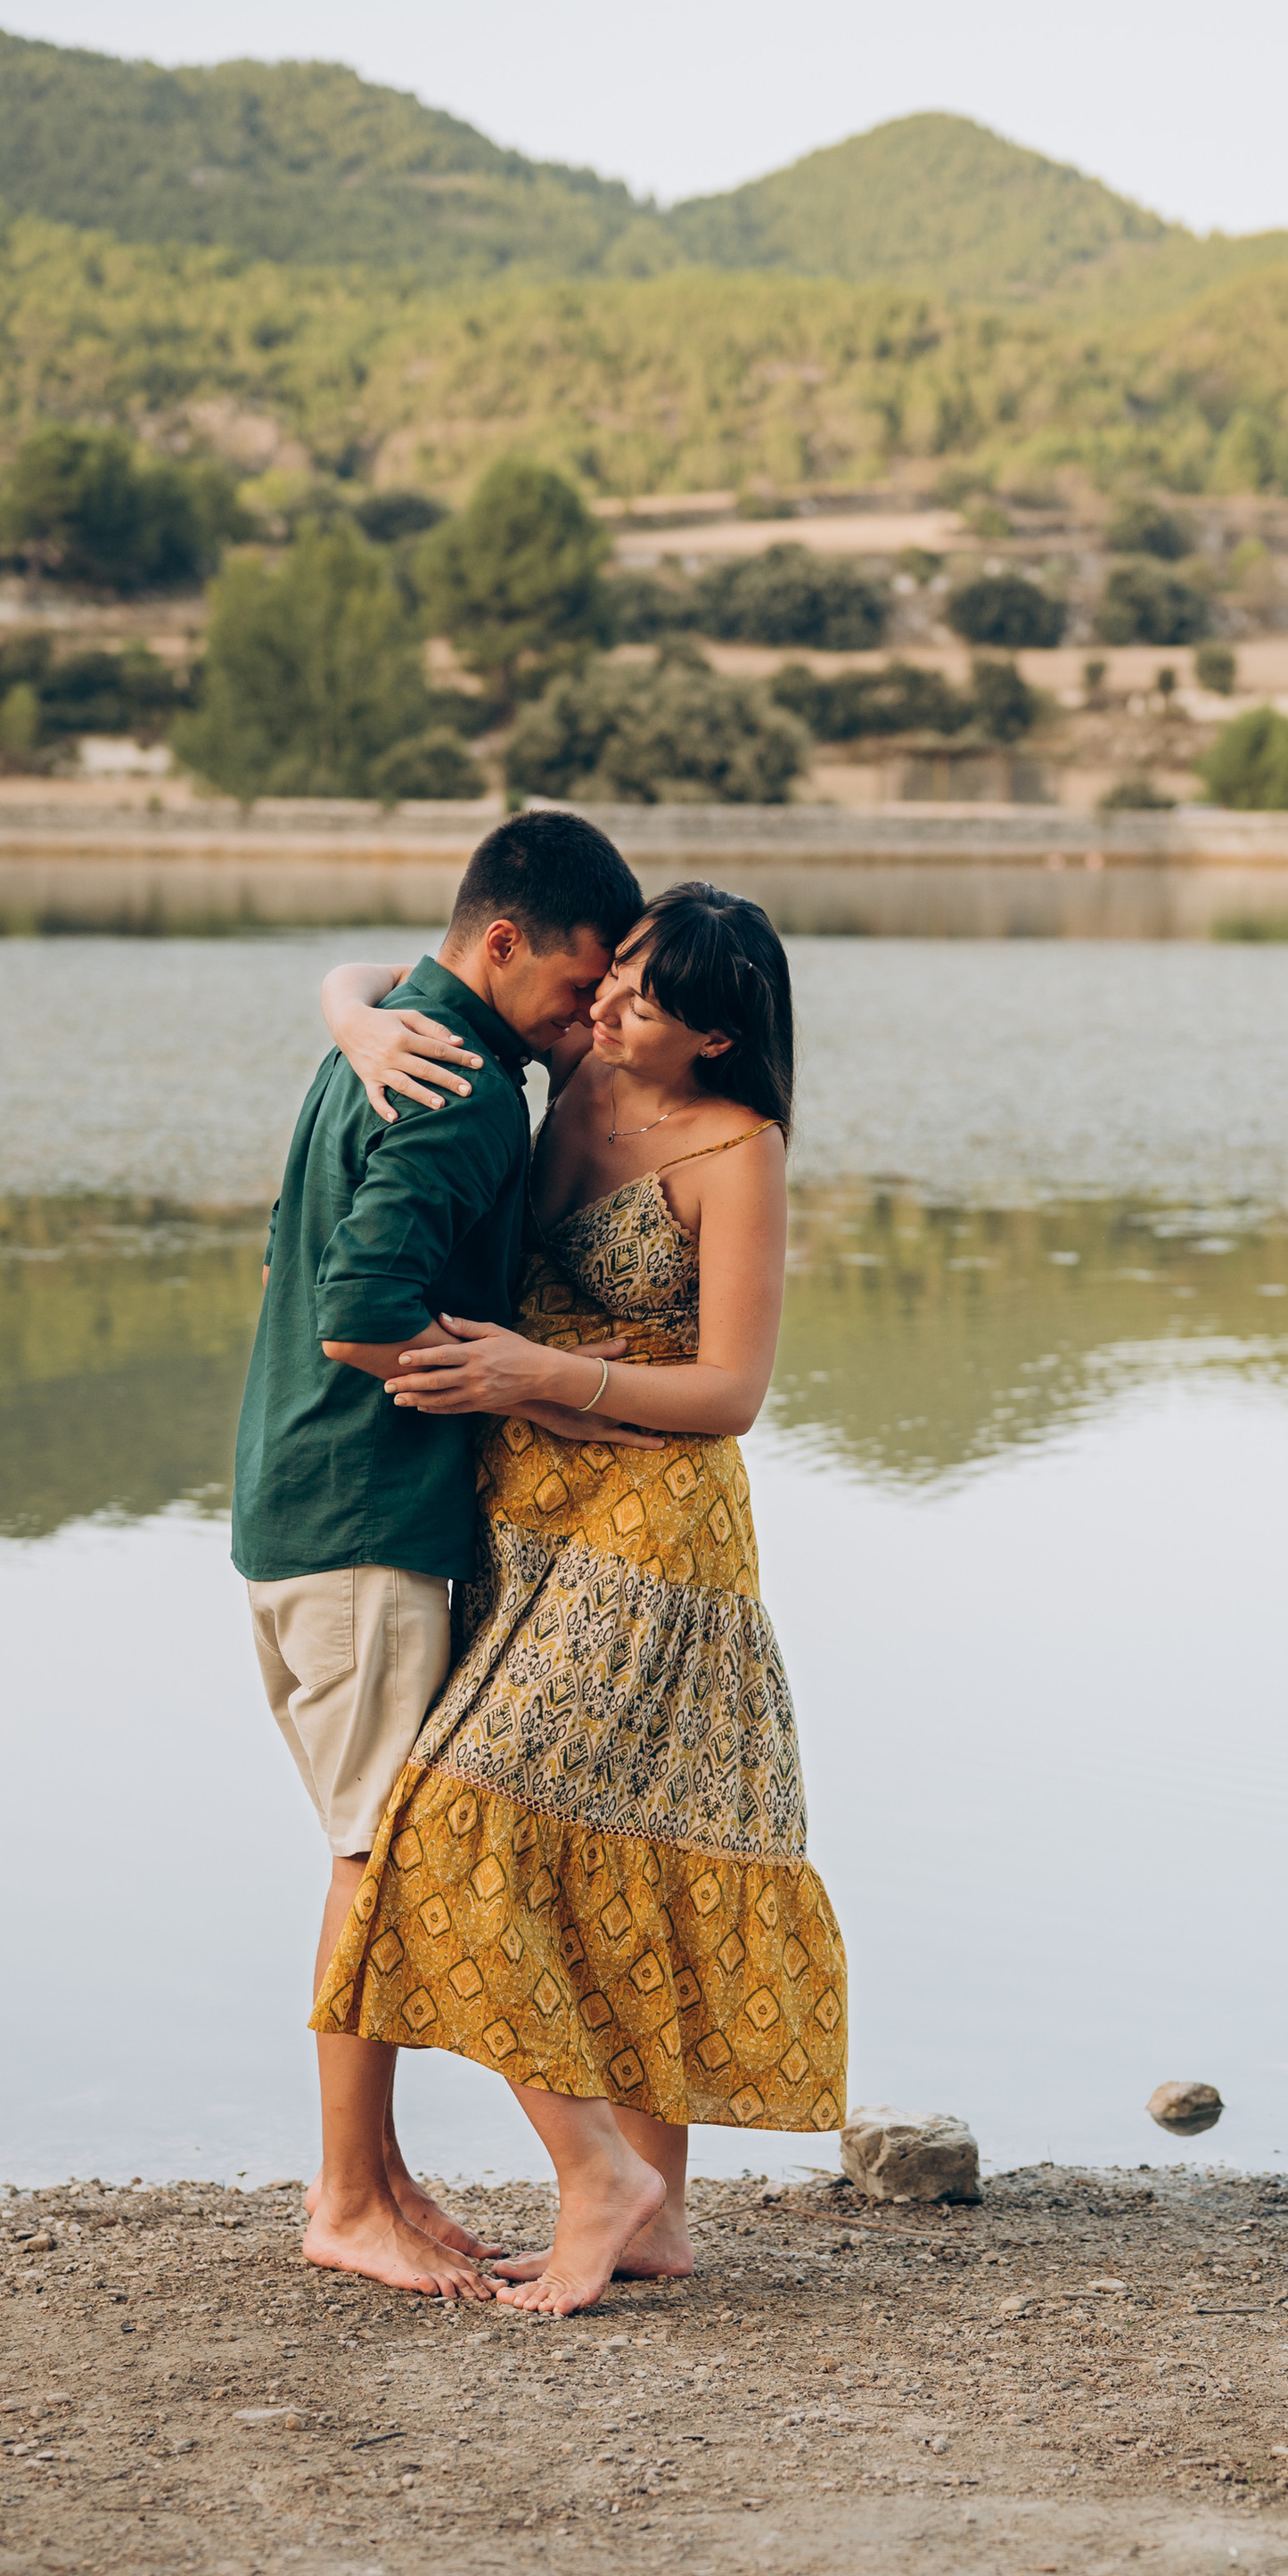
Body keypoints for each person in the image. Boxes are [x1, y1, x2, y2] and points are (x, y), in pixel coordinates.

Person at [308, 880, 848, 2315]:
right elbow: (396, 972)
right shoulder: (576, 1065)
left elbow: (731, 1394)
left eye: (645, 1001)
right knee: (599, 1837)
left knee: (474, 1819)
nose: (606, 1004)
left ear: (714, 1039)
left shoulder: (738, 1149)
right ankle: (652, 2214)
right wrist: (350, 1017)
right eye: (612, 978)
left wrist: (536, 1374)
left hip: (656, 1532)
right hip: (526, 1512)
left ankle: (611, 2187)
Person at [233, 808, 645, 2302]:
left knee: (373, 1849)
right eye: (577, 987)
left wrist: (344, 1001)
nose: (585, 1021)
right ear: (504, 943)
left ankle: (380, 2175)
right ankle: (348, 2197)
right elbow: (361, 1312)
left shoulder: (399, 1033)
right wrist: (524, 1384)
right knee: (379, 1861)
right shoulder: (462, 1090)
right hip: (366, 1521)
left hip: (301, 1504)